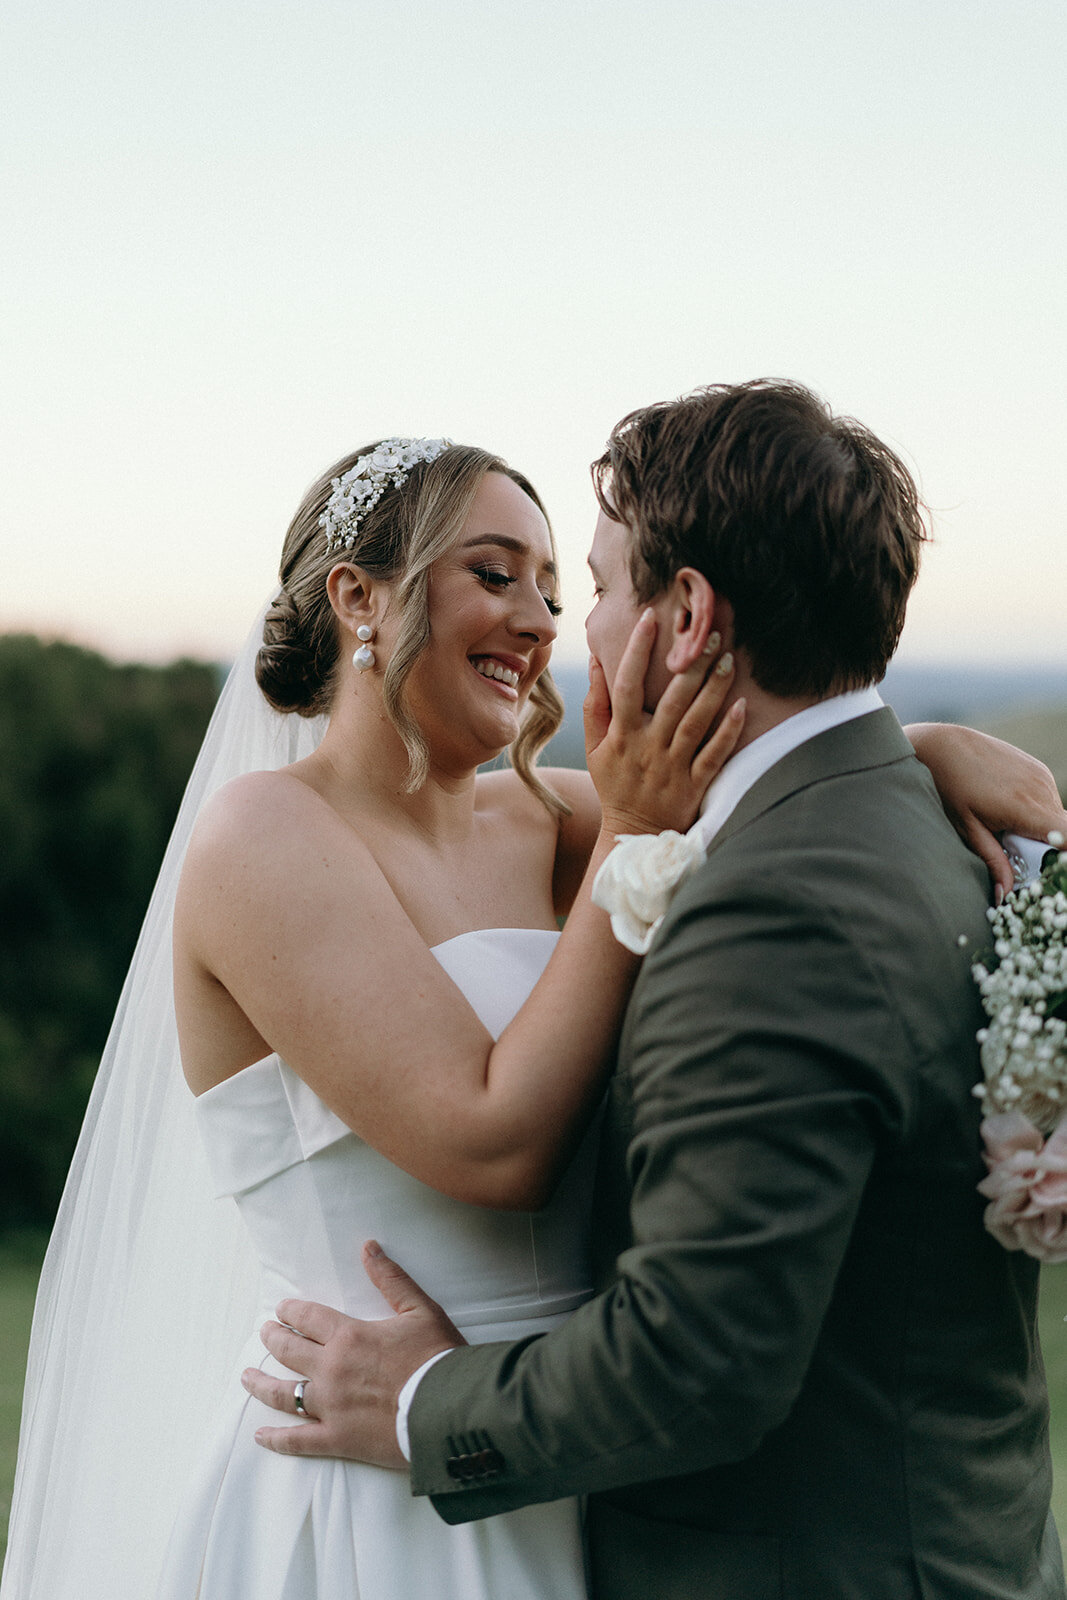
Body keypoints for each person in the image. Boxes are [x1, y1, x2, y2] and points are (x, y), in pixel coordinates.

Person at [241, 384, 1067, 1600]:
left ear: (684, 615)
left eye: (584, 587)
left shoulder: (724, 881)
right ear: (358, 598)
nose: (550, 625)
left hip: (584, 1471)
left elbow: (694, 1361)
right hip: (432, 1487)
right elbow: (759, 791)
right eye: (497, 574)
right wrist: (904, 749)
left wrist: (423, 1403)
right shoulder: (861, 838)